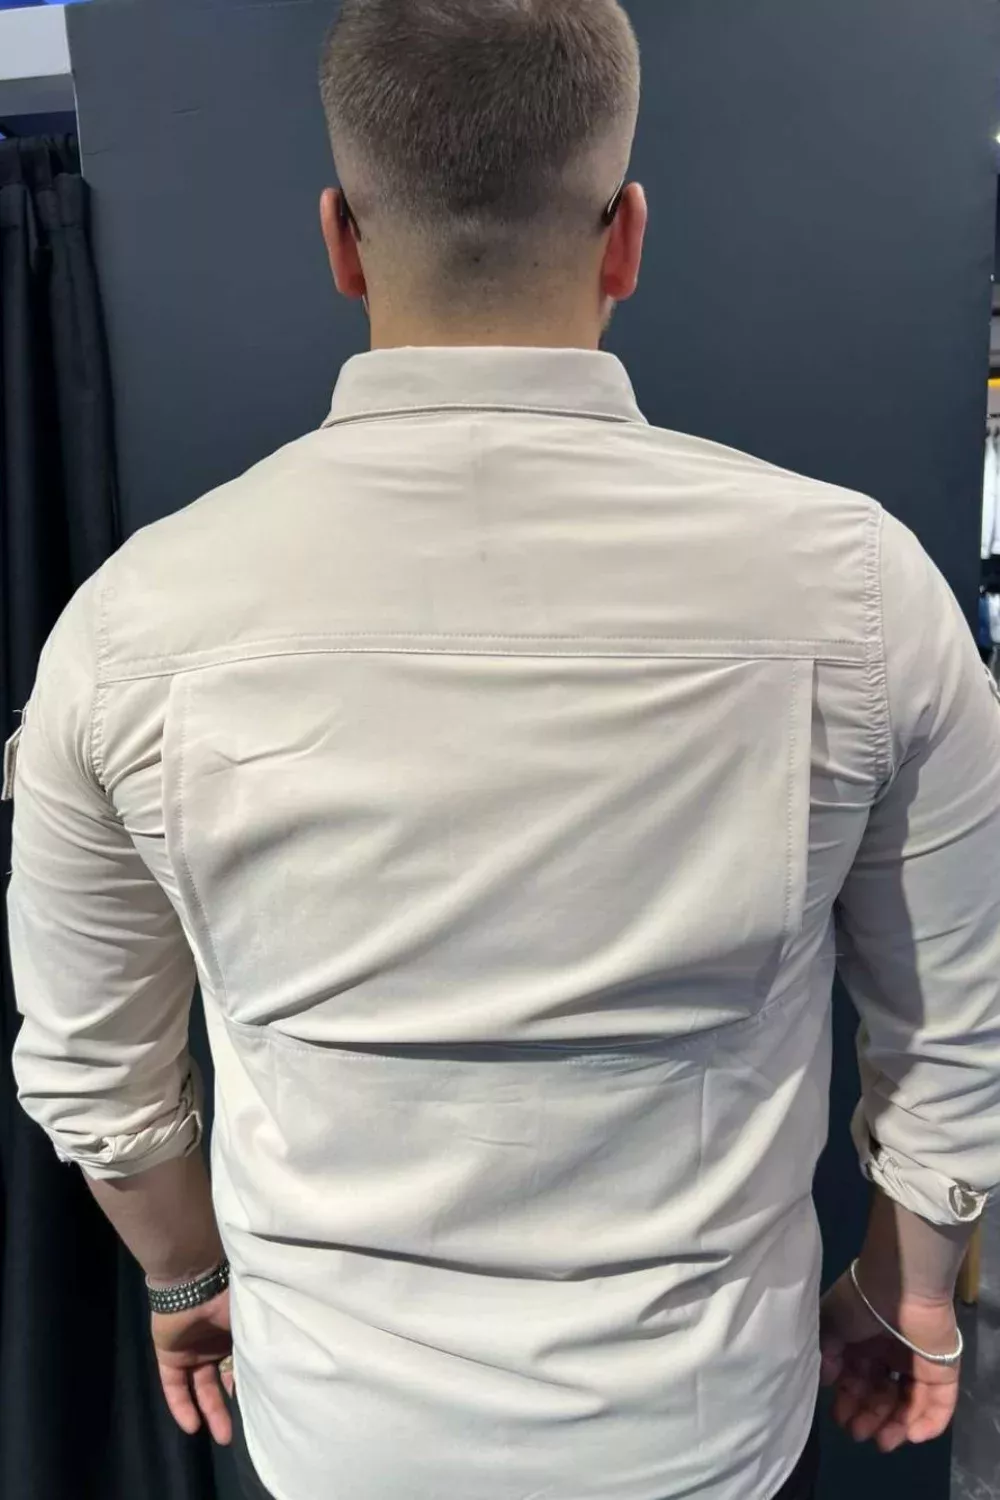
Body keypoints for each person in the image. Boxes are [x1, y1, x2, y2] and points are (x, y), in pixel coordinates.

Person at [6, 2, 1000, 1498]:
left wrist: (182, 1275)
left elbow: (95, 1078)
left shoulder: (130, 623)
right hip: (700, 1427)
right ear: (628, 237)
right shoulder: (857, 590)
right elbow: (960, 1040)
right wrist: (908, 1291)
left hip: (340, 1430)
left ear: (341, 241)